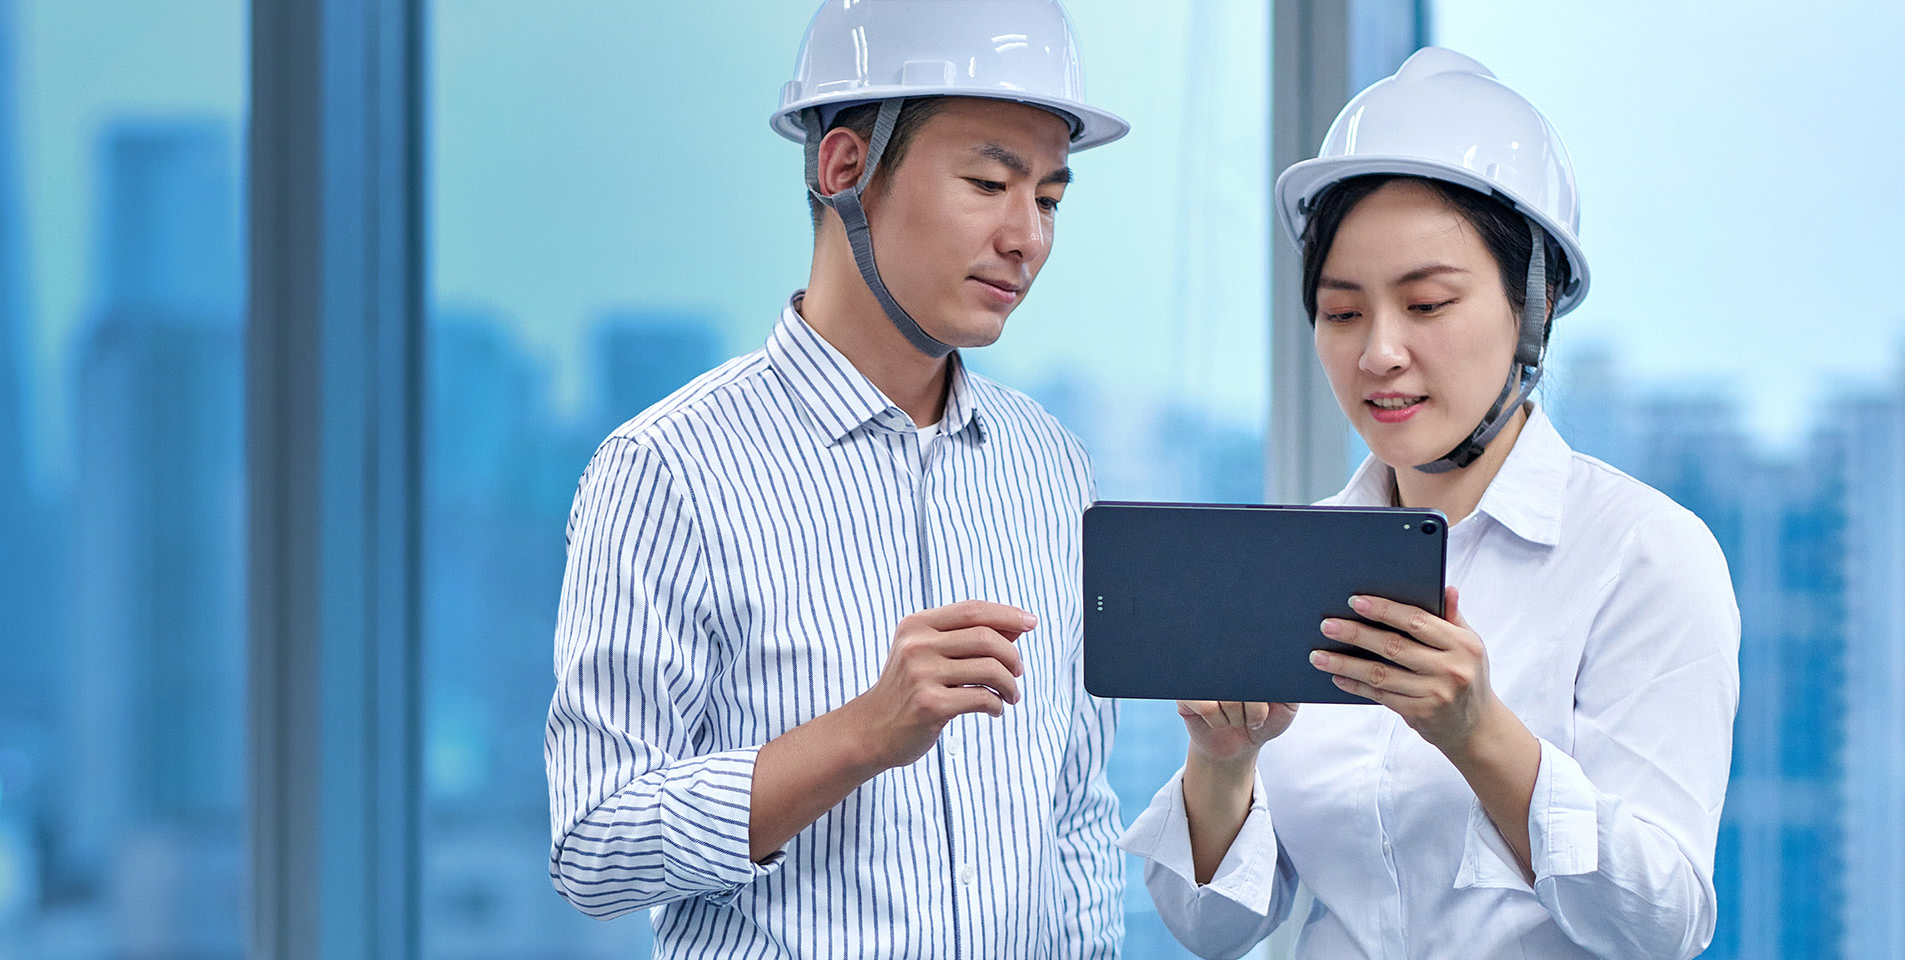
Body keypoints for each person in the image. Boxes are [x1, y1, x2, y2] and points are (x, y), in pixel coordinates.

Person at [1117, 48, 1740, 959]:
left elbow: (1664, 925)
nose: (1379, 353)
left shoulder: (1643, 555)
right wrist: (1222, 762)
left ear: (1537, 304)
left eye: (1429, 304)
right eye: (1342, 313)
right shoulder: (1303, 559)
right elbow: (1212, 927)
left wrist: (1480, 735)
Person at [543, 1, 1133, 955]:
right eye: (990, 182)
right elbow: (594, 846)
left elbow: (1075, 818)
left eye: (1052, 199)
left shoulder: (1052, 469)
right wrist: (863, 734)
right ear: (846, 169)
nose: (1029, 236)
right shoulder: (670, 471)